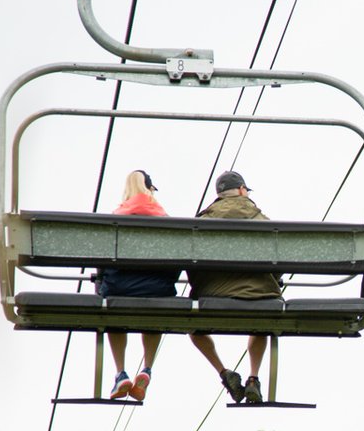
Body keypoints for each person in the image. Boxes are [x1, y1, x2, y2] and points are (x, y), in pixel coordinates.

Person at [187, 171, 280, 404]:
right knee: (261, 324)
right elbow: (279, 257)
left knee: (193, 328)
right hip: (260, 294)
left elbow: (189, 261)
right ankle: (253, 378)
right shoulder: (262, 220)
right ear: (241, 190)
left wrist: (201, 286)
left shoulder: (202, 221)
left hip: (211, 295)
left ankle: (223, 372)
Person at [97, 170, 178, 401]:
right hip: (158, 290)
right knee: (153, 313)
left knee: (114, 313)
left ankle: (121, 373)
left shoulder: (116, 217)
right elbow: (176, 262)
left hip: (119, 289)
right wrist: (166, 283)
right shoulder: (165, 219)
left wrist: (102, 287)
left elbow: (101, 261)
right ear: (151, 190)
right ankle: (147, 368)